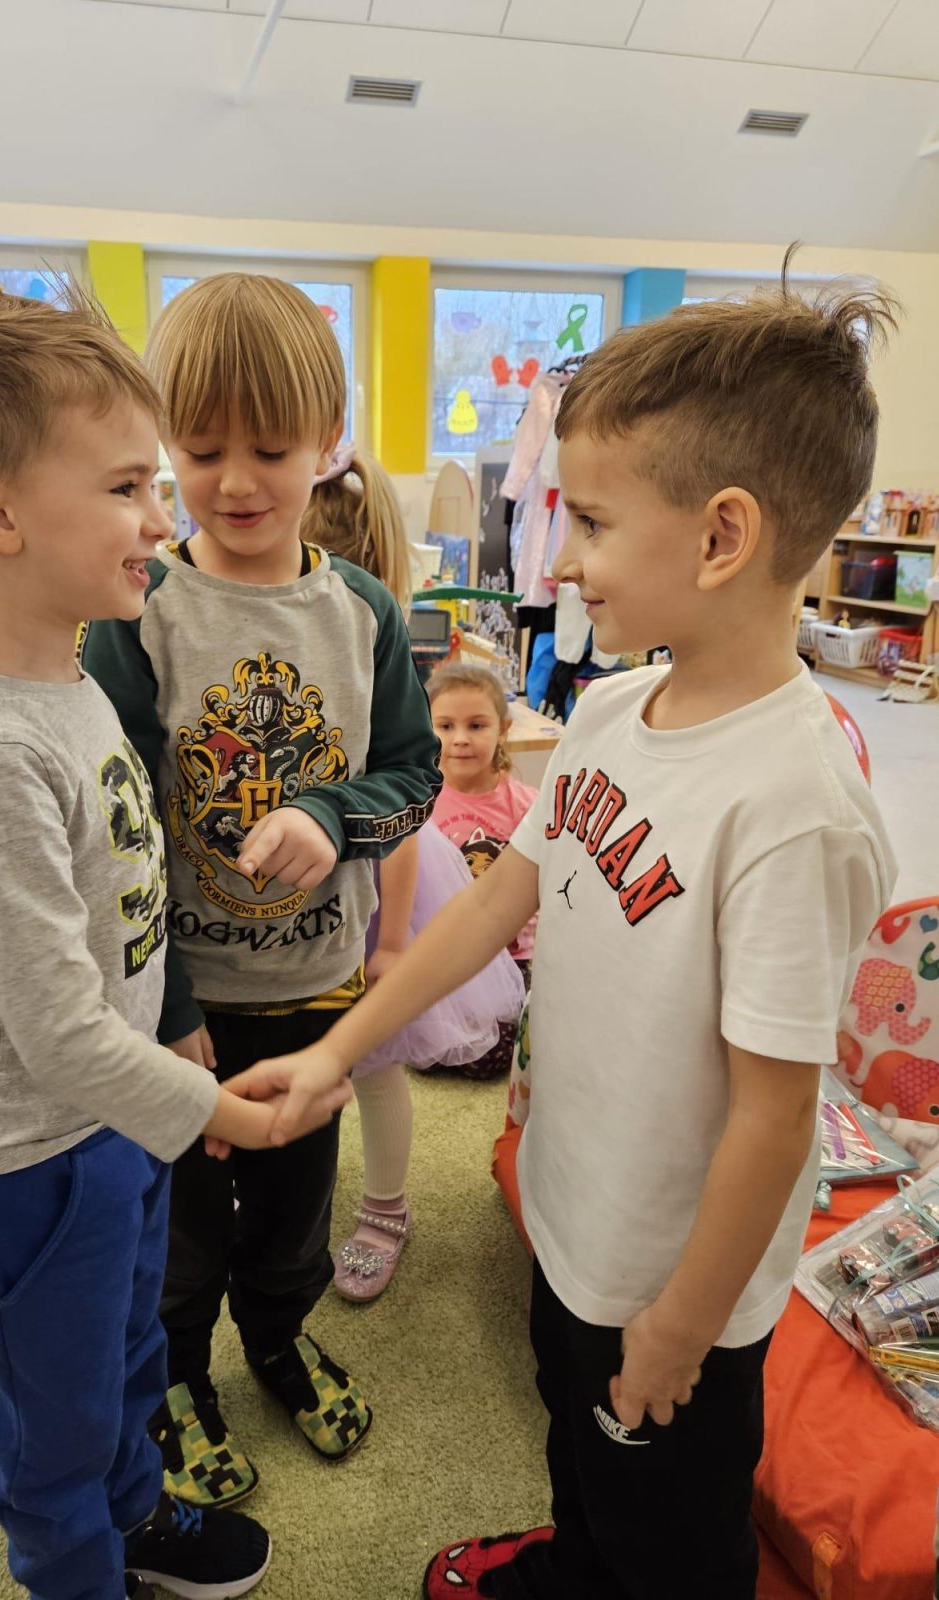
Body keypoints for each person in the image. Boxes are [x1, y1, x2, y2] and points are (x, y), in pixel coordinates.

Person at [224, 262, 900, 1600]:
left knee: (673, 1534)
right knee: (579, 1451)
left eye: (590, 521)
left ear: (721, 537)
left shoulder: (796, 807)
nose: (564, 558)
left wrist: (683, 1327)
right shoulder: (606, 713)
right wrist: (338, 1050)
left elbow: (776, 1116)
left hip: (674, 1282)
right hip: (577, 1208)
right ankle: (575, 1561)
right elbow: (493, 903)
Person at [0, 268, 335, 1600]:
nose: (162, 516)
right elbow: (53, 1029)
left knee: (124, 1349)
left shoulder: (67, 676)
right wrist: (217, 1112)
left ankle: (136, 1516)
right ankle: (77, 1568)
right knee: (48, 1413)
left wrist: (165, 1070)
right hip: (30, 1155)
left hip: (110, 1121)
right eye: (127, 486)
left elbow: (115, 914)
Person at [83, 274, 442, 1509]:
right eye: (200, 450)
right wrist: (172, 998)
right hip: (178, 1002)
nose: (235, 482)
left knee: (294, 1207)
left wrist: (330, 815)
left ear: (327, 441)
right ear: (160, 442)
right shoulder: (135, 611)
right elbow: (114, 824)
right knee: (180, 1221)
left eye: (271, 450)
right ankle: (178, 1371)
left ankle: (280, 1338)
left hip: (315, 987)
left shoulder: (366, 612)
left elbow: (416, 776)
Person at [302, 451, 525, 1301]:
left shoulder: (371, 659)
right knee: (304, 1051)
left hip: (378, 885)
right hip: (290, 889)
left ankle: (386, 1207)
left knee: (374, 1059)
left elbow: (394, 824)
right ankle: (299, 1189)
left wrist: (393, 942)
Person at [425, 661, 539, 1080]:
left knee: (491, 1058)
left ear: (502, 729)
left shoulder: (527, 805)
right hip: (439, 950)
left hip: (508, 955)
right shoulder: (420, 800)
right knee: (420, 1045)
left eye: (476, 726)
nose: (460, 739)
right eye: (445, 726)